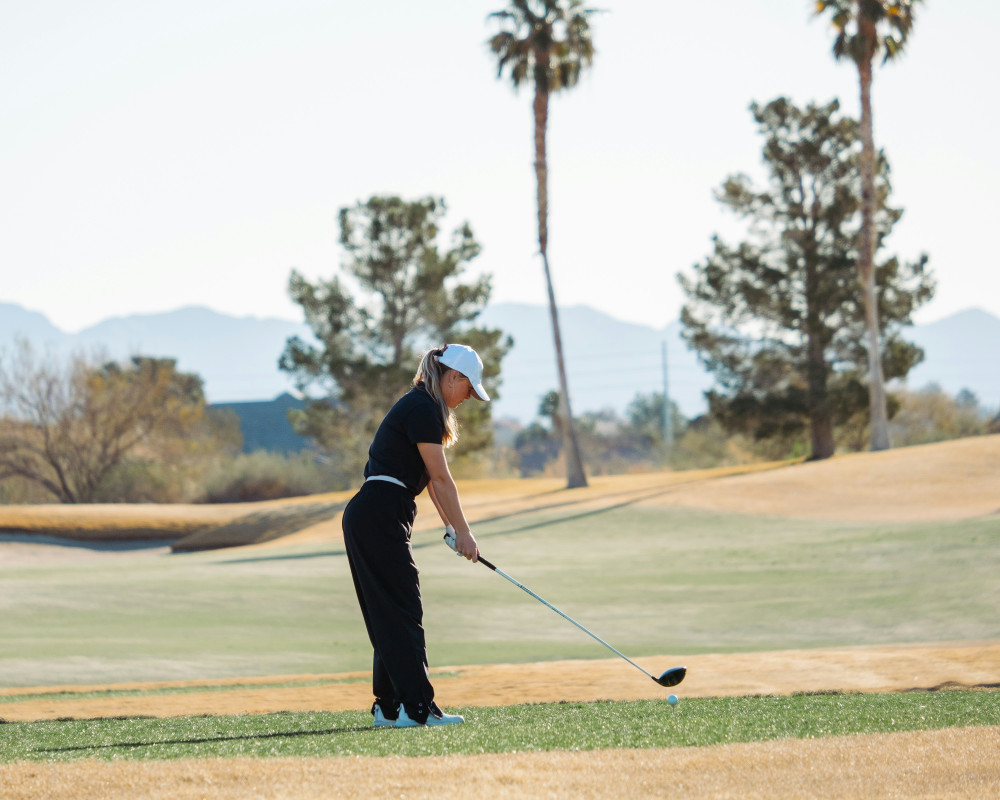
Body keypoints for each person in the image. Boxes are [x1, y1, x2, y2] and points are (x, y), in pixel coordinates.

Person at [341, 343, 488, 728]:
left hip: (373, 513)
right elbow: (441, 478)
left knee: (389, 611)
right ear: (452, 377)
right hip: (380, 513)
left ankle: (390, 708)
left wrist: (451, 528)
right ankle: (417, 709)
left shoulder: (420, 405)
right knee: (403, 610)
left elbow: (432, 484)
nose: (468, 397)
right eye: (468, 388)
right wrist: (465, 533)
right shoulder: (423, 408)